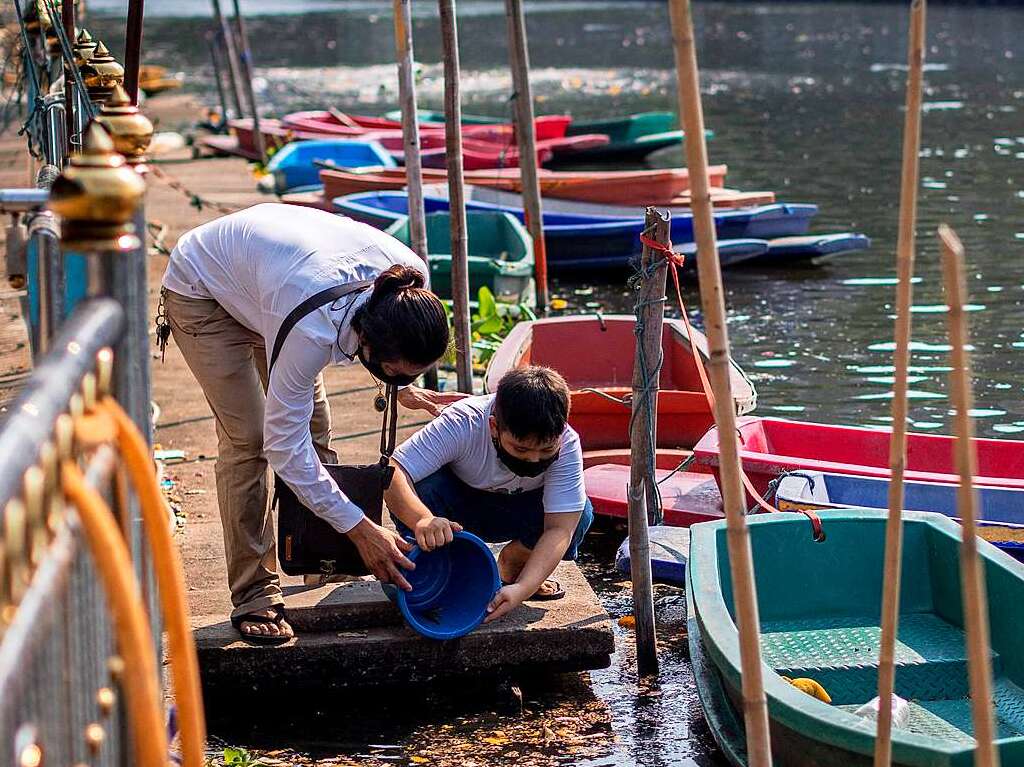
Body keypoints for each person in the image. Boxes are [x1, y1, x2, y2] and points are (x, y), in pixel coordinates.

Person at [161, 203, 462, 644]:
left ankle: (319, 559)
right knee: (250, 439)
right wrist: (362, 526)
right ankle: (253, 593)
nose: (403, 379)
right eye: (395, 371)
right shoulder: (314, 328)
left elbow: (384, 356)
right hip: (204, 289)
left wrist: (402, 386)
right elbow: (283, 445)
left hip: (274, 284)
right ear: (366, 342)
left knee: (316, 424)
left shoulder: (411, 281)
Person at [384, 366, 593, 623]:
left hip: (518, 513)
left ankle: (513, 565)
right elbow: (393, 472)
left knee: (579, 512)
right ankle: (439, 566)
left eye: (546, 450)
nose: (534, 458)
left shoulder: (568, 443)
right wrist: (422, 520)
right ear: (494, 427)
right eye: (521, 449)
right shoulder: (464, 421)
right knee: (423, 484)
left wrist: (522, 589)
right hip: (455, 513)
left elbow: (559, 529)